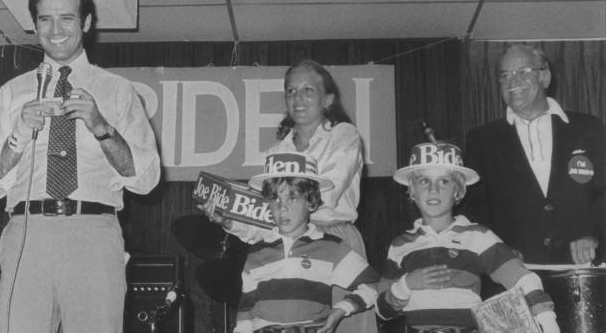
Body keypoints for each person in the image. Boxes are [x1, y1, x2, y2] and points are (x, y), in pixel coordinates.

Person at [0, 0, 160, 333]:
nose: (56, 30)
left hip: (94, 233)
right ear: (35, 25)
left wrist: (101, 126)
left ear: (86, 23)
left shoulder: (118, 91)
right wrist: (17, 136)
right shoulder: (12, 93)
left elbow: (146, 180)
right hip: (28, 233)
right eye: (45, 19)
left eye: (67, 18)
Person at [202, 59, 377, 332]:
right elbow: (265, 216)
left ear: (327, 99)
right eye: (291, 91)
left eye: (308, 90)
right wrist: (228, 218)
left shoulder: (344, 135)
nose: (298, 98)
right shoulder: (276, 152)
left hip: (335, 242)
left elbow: (327, 194)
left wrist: (273, 203)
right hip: (285, 244)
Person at [376, 142, 560, 333]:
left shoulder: (479, 237)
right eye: (423, 181)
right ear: (412, 191)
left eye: (444, 181)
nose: (433, 189)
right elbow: (382, 311)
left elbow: (524, 279)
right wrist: (405, 285)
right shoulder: (399, 245)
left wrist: (547, 320)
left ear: (458, 191)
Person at [464, 43, 606, 264]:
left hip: (582, 270)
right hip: (515, 277)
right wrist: (499, 251)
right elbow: (475, 210)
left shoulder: (589, 128)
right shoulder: (482, 140)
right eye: (505, 75)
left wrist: (594, 234)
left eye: (522, 72)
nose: (513, 82)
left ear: (545, 77)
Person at [234, 152, 379, 333]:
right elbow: (246, 310)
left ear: (311, 202)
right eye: (274, 198)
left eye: (292, 198)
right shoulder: (257, 252)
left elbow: (373, 285)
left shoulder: (331, 248)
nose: (282, 207)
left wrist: (342, 309)